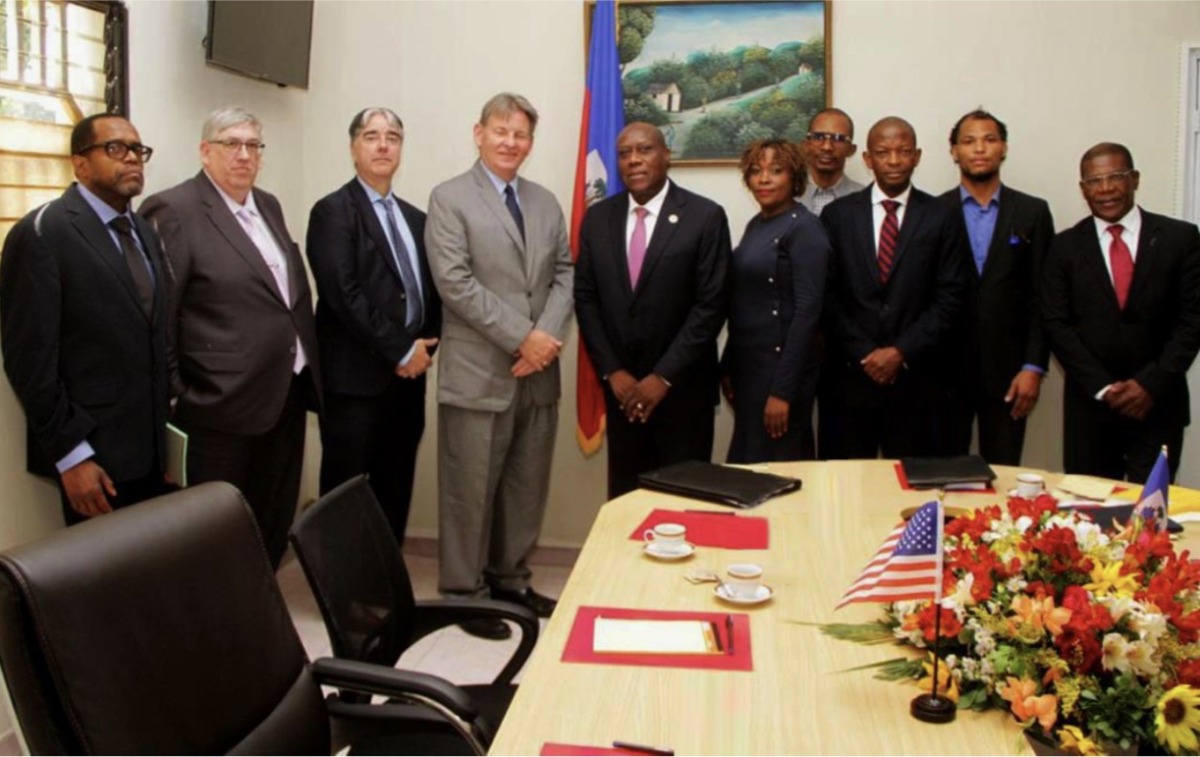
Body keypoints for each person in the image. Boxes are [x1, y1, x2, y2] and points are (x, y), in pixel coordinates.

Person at [140, 106, 321, 569]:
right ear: (205, 151)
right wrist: (178, 395)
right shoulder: (174, 209)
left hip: (284, 392)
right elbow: (161, 313)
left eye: (253, 145)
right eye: (231, 144)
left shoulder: (268, 204)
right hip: (218, 404)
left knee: (271, 517)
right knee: (215, 533)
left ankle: (260, 601)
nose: (244, 155)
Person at [425, 93, 572, 639]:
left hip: (538, 374)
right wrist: (522, 338)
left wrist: (545, 339)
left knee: (525, 486)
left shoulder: (544, 201)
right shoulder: (449, 198)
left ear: (531, 142)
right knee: (469, 490)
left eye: (521, 134)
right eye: (501, 131)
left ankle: (511, 579)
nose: (511, 142)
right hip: (479, 373)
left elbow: (564, 272)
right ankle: (464, 593)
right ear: (479, 133)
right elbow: (455, 283)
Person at [1, 113, 173, 525]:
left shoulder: (143, 231)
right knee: (106, 566)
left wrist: (166, 442)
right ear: (80, 163)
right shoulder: (43, 232)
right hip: (95, 456)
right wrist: (71, 455)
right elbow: (30, 364)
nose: (131, 158)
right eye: (115, 148)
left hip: (151, 453)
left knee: (154, 560)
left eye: (138, 149)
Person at [306, 108, 441, 546]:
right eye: (371, 136)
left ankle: (385, 578)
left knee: (395, 490)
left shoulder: (416, 219)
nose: (383, 145)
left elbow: (431, 294)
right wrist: (401, 349)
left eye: (392, 137)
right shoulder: (332, 212)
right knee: (347, 496)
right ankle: (341, 585)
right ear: (353, 147)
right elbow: (343, 295)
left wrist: (423, 351)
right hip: (354, 386)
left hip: (408, 383)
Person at [575, 122, 731, 497]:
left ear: (666, 155)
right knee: (627, 501)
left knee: (684, 501)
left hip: (683, 393)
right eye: (625, 153)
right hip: (623, 393)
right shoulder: (598, 218)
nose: (634, 160)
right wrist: (613, 371)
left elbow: (711, 306)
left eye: (644, 150)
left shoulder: (705, 216)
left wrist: (662, 377)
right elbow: (586, 298)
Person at [1042, 142, 1200, 482]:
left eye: (1115, 176)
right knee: (1089, 510)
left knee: (1150, 511)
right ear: (1083, 189)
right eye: (1094, 181)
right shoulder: (1064, 247)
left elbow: (1193, 321)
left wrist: (1149, 385)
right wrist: (1103, 387)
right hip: (1091, 411)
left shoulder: (1180, 238)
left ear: (1135, 179)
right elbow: (1056, 324)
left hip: (1159, 406)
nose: (1106, 188)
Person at [819, 116, 969, 459]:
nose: (894, 160)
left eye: (903, 151)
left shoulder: (942, 215)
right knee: (847, 482)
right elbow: (827, 295)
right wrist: (865, 352)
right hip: (850, 380)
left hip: (918, 381)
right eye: (883, 152)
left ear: (917, 156)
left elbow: (950, 296)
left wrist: (900, 351)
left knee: (912, 483)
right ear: (868, 159)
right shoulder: (837, 215)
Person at [939, 109, 1055, 465]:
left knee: (1004, 475)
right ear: (954, 151)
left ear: (1003, 147)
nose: (979, 149)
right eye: (969, 141)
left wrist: (1033, 367)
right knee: (943, 476)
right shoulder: (933, 212)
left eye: (989, 140)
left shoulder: (1032, 212)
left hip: (1010, 373)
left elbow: (1044, 298)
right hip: (944, 374)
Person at [720, 139, 828, 463]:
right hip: (750, 371)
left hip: (782, 375)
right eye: (756, 171)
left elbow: (808, 313)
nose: (764, 179)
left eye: (776, 171)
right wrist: (728, 364)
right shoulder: (757, 224)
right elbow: (745, 301)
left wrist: (783, 392)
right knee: (747, 468)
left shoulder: (806, 228)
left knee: (781, 469)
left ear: (795, 178)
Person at [799, 108, 865, 216]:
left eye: (838, 138)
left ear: (851, 150)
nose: (827, 147)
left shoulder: (865, 199)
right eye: (819, 137)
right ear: (806, 145)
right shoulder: (785, 195)